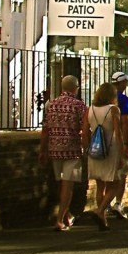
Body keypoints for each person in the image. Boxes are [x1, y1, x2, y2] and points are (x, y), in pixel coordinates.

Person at [38, 75, 87, 231]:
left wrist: (42, 150)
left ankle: (66, 215)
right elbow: (84, 129)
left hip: (54, 148)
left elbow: (45, 130)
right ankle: (60, 219)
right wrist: (87, 146)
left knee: (59, 184)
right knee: (68, 185)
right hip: (72, 149)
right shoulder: (79, 105)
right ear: (76, 87)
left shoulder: (51, 105)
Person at [83, 82, 128, 231]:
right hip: (111, 149)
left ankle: (102, 219)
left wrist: (86, 149)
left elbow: (85, 132)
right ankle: (100, 210)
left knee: (100, 184)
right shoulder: (113, 109)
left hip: (95, 150)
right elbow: (118, 132)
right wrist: (122, 152)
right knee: (115, 184)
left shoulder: (90, 110)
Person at [109, 71, 128, 219]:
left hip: (104, 141)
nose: (126, 85)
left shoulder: (103, 99)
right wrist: (126, 142)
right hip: (118, 140)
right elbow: (126, 122)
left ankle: (105, 204)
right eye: (125, 82)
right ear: (121, 83)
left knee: (106, 175)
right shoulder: (124, 100)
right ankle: (118, 202)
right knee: (123, 172)